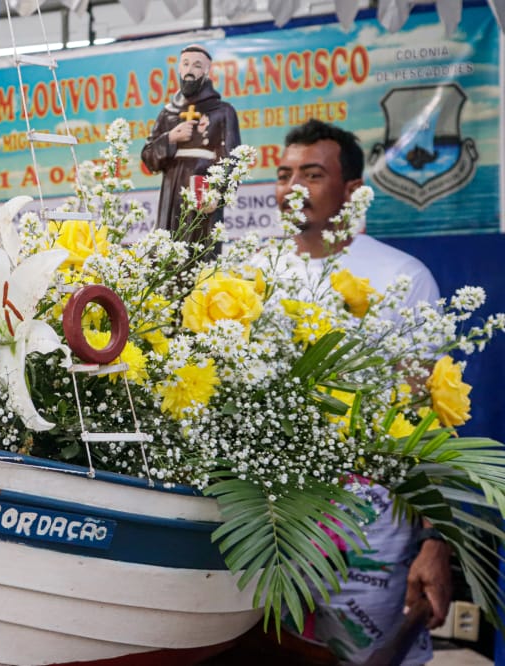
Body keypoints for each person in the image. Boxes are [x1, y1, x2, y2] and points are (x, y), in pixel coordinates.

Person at [272, 119, 451, 665]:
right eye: (283, 174)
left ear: (352, 191)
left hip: (370, 536)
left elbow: (430, 419)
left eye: (312, 173)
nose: (292, 186)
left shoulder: (404, 275)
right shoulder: (251, 273)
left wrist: (435, 541)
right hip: (267, 530)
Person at [141, 44, 240, 246]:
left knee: (200, 249)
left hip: (202, 189)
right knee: (168, 250)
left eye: (196, 65)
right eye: (185, 64)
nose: (189, 70)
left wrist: (217, 193)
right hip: (172, 191)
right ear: (178, 68)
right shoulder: (168, 113)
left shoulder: (222, 111)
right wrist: (170, 138)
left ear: (206, 70)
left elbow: (233, 159)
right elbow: (148, 157)